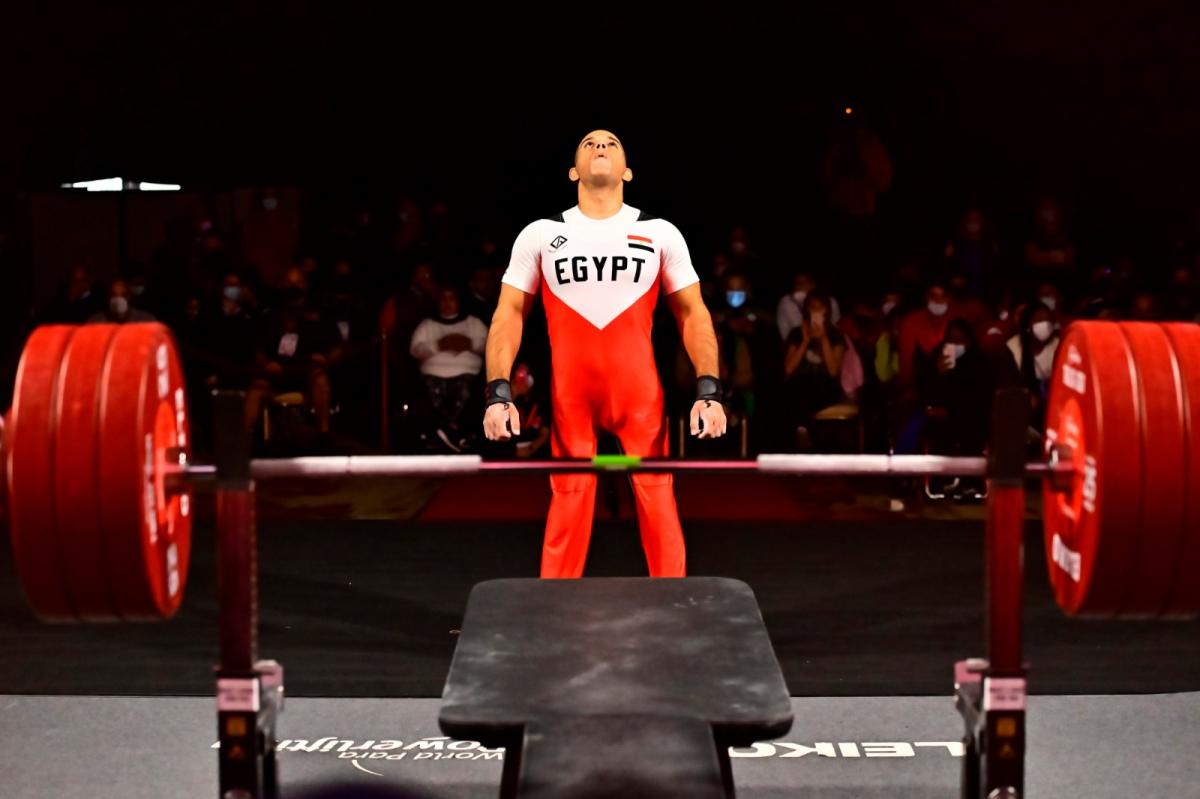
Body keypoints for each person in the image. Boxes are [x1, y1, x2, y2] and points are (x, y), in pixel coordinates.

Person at [483, 129, 726, 579]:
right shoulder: (540, 234)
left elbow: (695, 316)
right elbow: (508, 315)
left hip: (640, 401)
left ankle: (674, 608)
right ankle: (554, 611)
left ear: (627, 172)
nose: (600, 145)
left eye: (612, 143)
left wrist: (708, 389)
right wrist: (499, 393)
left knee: (659, 499)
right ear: (573, 170)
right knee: (569, 501)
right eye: (590, 142)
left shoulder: (659, 233)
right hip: (571, 399)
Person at [409, 285, 488, 452]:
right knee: (432, 393)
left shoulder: (473, 322)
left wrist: (469, 343)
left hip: (467, 374)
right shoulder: (427, 325)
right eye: (443, 299)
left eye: (451, 298)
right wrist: (439, 344)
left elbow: (488, 345)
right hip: (433, 374)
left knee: (466, 392)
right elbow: (415, 350)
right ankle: (447, 434)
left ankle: (451, 432)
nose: (447, 303)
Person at [783, 291, 846, 450]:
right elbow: (789, 369)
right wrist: (805, 341)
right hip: (800, 382)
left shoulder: (835, 335)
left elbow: (833, 371)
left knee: (815, 391)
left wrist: (823, 339)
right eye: (813, 307)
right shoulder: (796, 334)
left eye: (820, 308)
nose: (816, 311)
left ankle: (805, 432)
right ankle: (802, 434)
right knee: (796, 391)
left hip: (825, 384)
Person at [87, 278, 156, 323]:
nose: (118, 300)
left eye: (123, 295)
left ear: (130, 297)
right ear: (108, 298)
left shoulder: (146, 321)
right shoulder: (95, 322)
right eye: (114, 295)